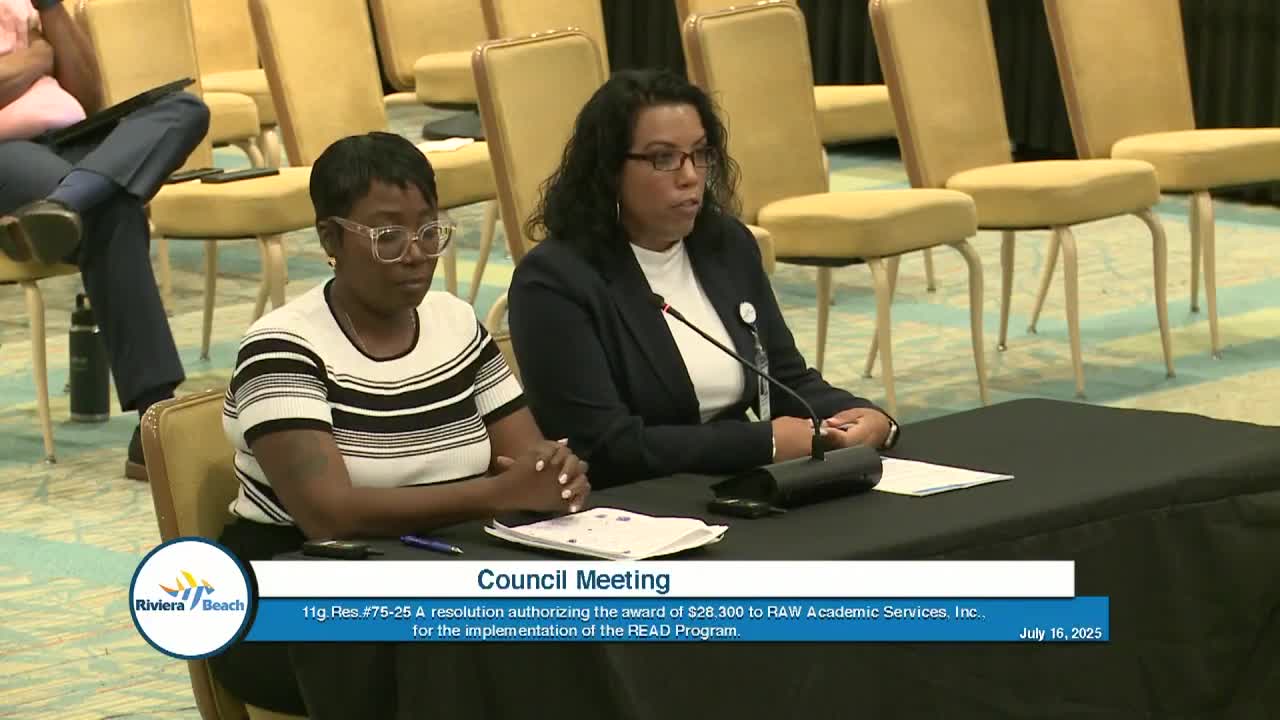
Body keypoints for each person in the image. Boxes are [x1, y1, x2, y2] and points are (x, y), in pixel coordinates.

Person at [213, 131, 591, 714]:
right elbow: (329, 514)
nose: (416, 253)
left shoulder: (455, 323)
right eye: (387, 236)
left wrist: (554, 475)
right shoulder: (282, 347)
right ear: (330, 238)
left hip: (435, 562)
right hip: (293, 593)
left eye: (428, 230)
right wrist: (498, 492)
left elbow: (531, 463)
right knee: (463, 653)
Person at [509, 69, 900, 487]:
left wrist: (865, 416)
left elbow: (783, 378)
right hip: (636, 500)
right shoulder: (554, 282)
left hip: (743, 484)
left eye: (700, 154)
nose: (690, 176)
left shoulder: (725, 245)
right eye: (663, 158)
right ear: (609, 170)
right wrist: (763, 443)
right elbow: (603, 445)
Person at [0, 0, 209, 478]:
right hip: (7, 152)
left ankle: (65, 203)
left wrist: (51, 9)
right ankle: (156, 419)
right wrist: (38, 56)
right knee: (113, 209)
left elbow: (87, 95)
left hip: (73, 140)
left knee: (183, 108)